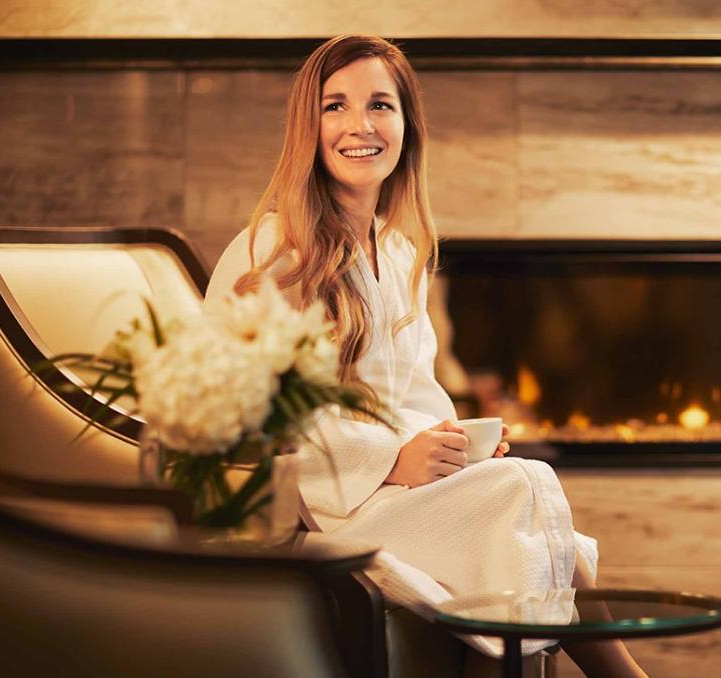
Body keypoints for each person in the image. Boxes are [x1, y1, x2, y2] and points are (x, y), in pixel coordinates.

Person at [204, 35, 646, 677]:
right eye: (335, 106)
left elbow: (412, 400)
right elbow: (256, 418)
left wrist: (450, 447)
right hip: (314, 507)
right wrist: (391, 461)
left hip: (389, 496)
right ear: (308, 125)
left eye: (380, 105)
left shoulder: (401, 253)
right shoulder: (272, 251)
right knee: (526, 494)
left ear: (407, 127)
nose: (360, 125)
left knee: (523, 522)